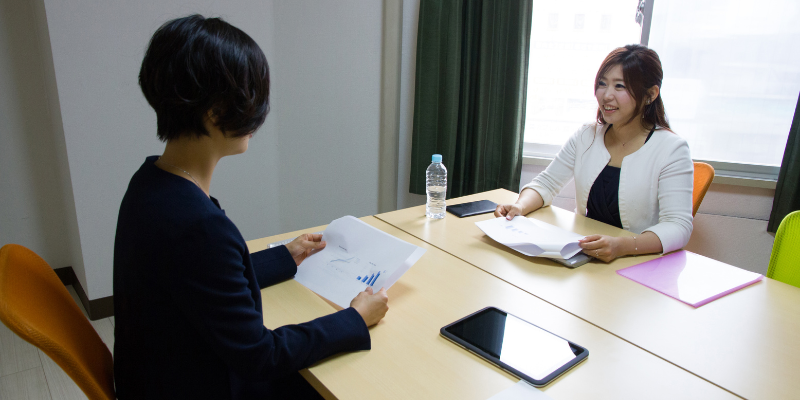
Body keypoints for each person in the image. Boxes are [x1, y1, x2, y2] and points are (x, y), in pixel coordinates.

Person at [113, 15, 389, 399]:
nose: (259, 110)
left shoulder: (151, 184)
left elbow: (202, 279)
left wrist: (285, 256)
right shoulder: (197, 226)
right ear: (214, 111)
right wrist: (354, 319)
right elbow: (260, 355)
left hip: (159, 375)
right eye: (251, 95)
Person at [495, 44, 693, 262]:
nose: (606, 95)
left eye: (620, 86)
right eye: (602, 84)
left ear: (650, 94)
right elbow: (547, 183)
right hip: (585, 255)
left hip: (637, 262)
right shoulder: (587, 136)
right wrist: (520, 206)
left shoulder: (672, 149)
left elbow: (678, 226)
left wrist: (623, 246)